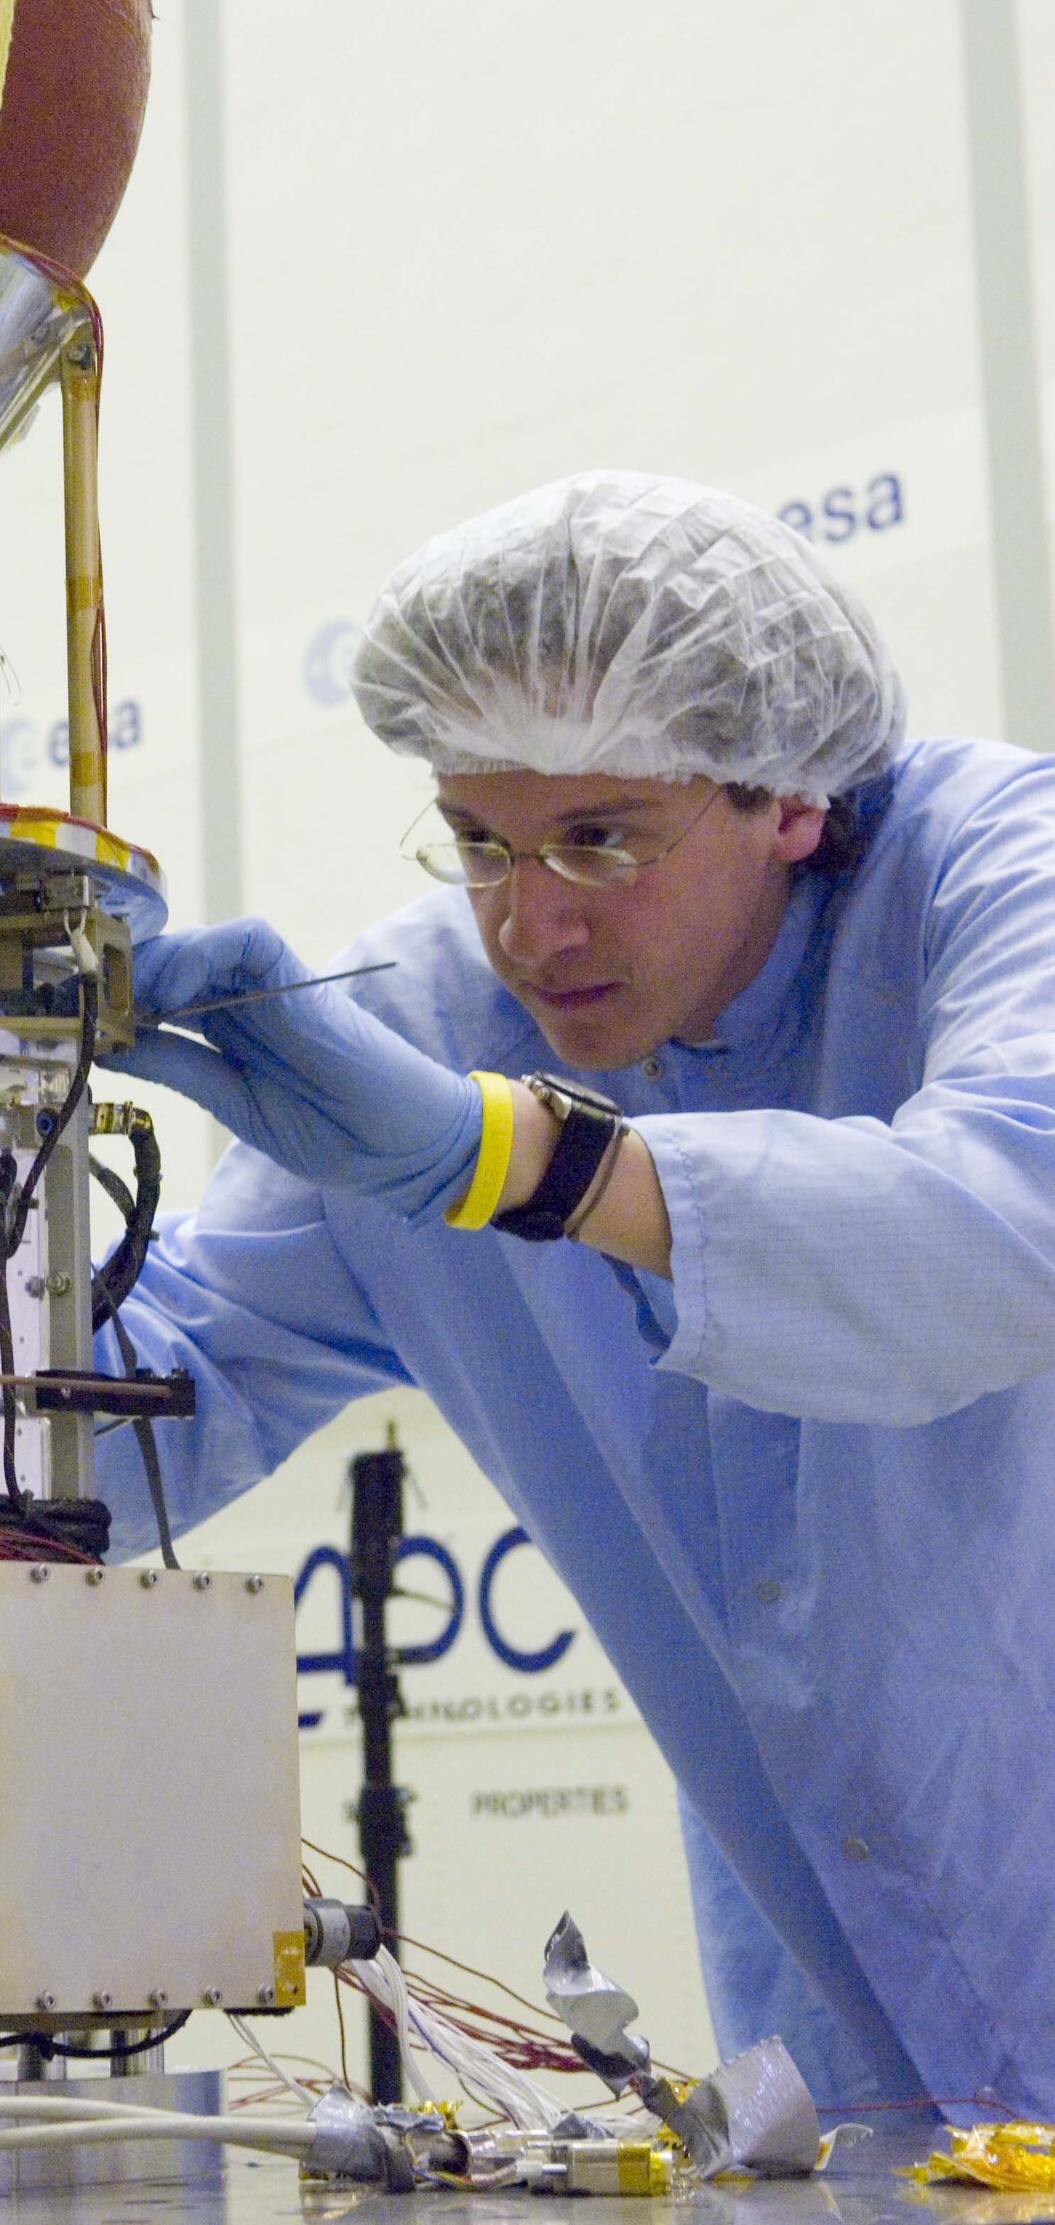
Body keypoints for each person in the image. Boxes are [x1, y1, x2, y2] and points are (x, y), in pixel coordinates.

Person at [104, 468, 1055, 2116]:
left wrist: (536, 1170)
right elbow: (145, 1417)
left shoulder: (992, 874)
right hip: (866, 2074)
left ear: (792, 800)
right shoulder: (427, 1029)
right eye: (480, 837)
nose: (528, 924)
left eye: (600, 839)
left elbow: (1003, 1236)